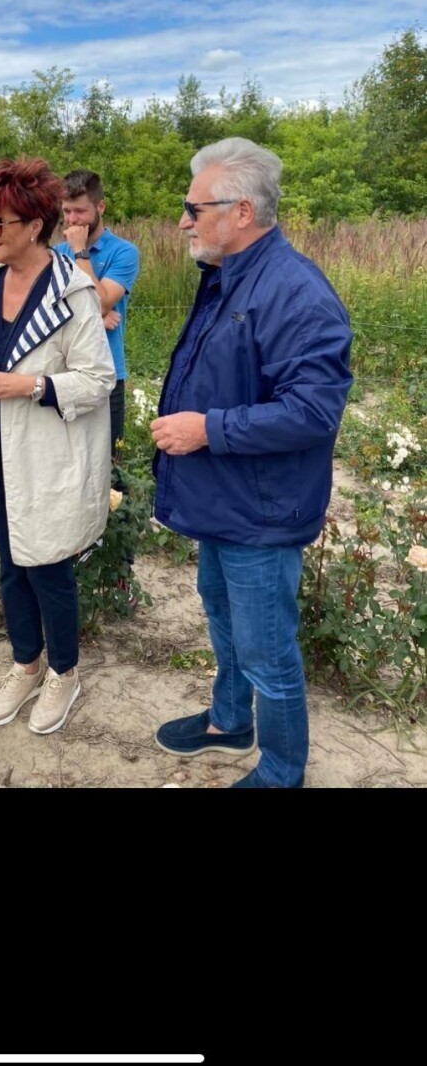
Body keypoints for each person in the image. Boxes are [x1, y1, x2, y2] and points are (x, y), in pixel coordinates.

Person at [150, 137, 353, 788]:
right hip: (224, 498)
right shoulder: (226, 275)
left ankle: (280, 771)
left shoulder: (294, 291)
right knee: (220, 610)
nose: (182, 220)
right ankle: (229, 719)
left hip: (260, 511)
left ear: (240, 211)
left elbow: (313, 412)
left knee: (267, 648)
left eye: (192, 207)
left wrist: (207, 428)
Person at [0, 158, 115, 735]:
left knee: (48, 566)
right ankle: (26, 662)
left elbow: (98, 380)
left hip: (48, 454)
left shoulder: (73, 291)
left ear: (35, 226)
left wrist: (34, 386)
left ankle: (64, 672)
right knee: (12, 562)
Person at [56, 169, 140, 459]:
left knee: (108, 464)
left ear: (100, 207)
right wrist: (96, 318)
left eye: (80, 211)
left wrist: (80, 252)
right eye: (67, 211)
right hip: (63, 371)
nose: (72, 220)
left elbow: (101, 303)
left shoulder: (124, 253)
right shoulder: (55, 253)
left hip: (107, 372)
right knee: (68, 460)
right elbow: (47, 309)